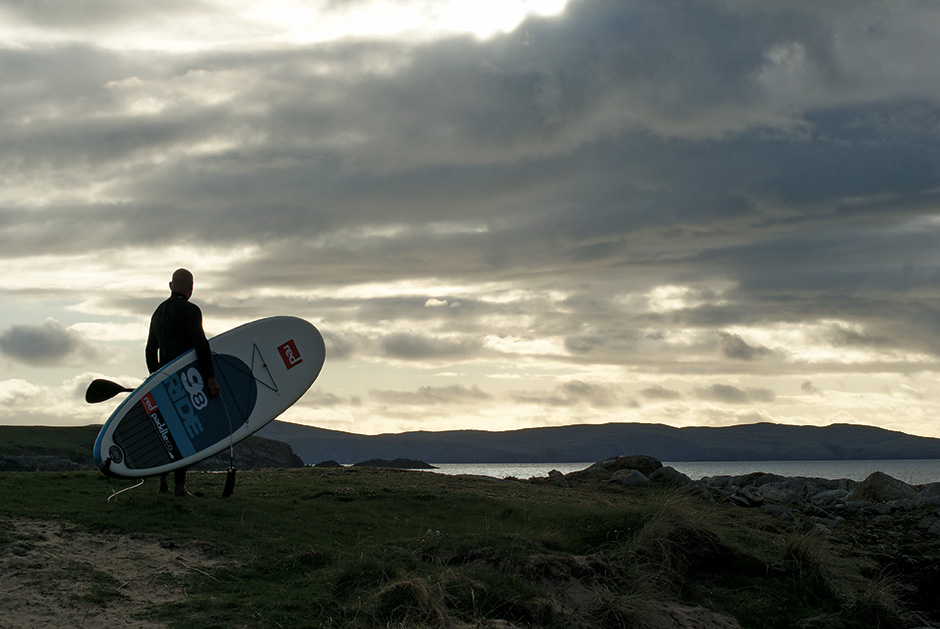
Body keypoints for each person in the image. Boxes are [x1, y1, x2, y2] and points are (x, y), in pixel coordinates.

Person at [145, 268, 221, 496]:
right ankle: (179, 486)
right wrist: (210, 377)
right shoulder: (190, 310)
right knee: (187, 430)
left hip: (164, 378)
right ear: (191, 287)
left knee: (167, 429)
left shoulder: (158, 313)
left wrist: (155, 377)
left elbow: (150, 349)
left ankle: (162, 481)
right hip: (188, 378)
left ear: (171, 286)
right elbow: (201, 344)